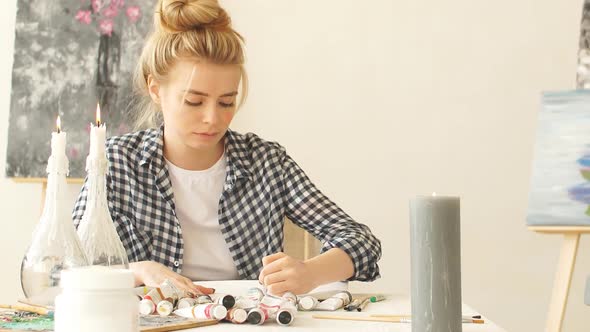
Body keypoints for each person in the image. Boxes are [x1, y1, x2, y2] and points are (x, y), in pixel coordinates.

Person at [73, 0, 381, 296]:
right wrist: (136, 271)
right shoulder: (114, 162)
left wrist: (309, 273)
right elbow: (66, 268)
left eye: (226, 102)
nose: (212, 118)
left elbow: (361, 241)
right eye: (194, 101)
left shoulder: (267, 162)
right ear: (155, 89)